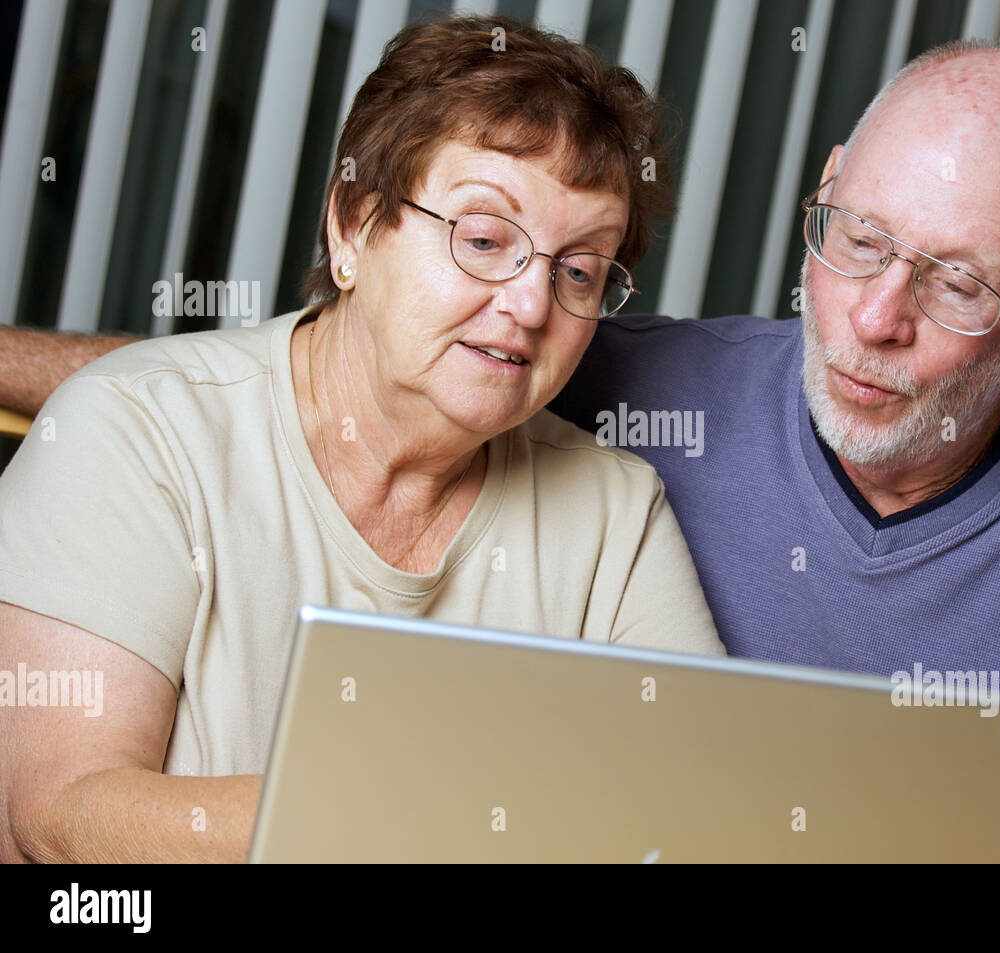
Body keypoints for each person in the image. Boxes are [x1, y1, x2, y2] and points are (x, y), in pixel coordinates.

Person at [4, 40, 1000, 864]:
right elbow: (310, 371)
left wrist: (977, 849)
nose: (873, 316)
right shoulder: (611, 376)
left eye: (959, 283)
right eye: (855, 237)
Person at [0, 16, 722, 864]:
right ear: (353, 225)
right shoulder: (135, 428)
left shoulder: (614, 515)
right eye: (485, 239)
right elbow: (58, 820)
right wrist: (425, 810)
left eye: (578, 271)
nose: (531, 305)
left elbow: (703, 815)